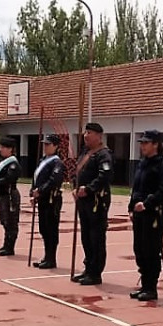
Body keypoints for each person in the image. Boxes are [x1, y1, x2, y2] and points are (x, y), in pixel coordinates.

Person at [128, 130, 163, 301]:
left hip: (153, 214)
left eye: (146, 143)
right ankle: (145, 284)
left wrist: (147, 203)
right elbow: (136, 189)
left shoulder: (162, 166)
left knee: (151, 250)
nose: (142, 146)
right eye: (142, 143)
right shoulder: (142, 164)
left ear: (155, 144)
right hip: (139, 214)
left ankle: (151, 287)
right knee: (139, 249)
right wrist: (131, 207)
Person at [72, 122, 114, 285]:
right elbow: (79, 171)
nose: (86, 136)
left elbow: (105, 176)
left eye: (89, 133)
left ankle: (96, 272)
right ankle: (88, 267)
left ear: (99, 136)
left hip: (97, 200)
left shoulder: (104, 154)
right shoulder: (85, 152)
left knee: (96, 236)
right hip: (83, 200)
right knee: (86, 236)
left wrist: (88, 189)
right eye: (85, 133)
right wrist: (76, 186)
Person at [30, 133, 65, 269]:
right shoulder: (43, 160)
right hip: (42, 198)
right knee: (43, 228)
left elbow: (54, 180)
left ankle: (51, 258)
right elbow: (36, 178)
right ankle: (46, 256)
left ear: (55, 146)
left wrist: (40, 190)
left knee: (51, 229)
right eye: (44, 144)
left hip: (52, 198)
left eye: (48, 144)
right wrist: (33, 192)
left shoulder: (57, 162)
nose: (45, 147)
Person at [0, 136, 22, 256]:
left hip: (9, 195)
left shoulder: (13, 164)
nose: (1, 149)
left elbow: (9, 178)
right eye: (1, 146)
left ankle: (10, 246)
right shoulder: (3, 163)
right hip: (2, 194)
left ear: (10, 149)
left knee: (11, 221)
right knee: (4, 220)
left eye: (4, 147)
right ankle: (5, 244)